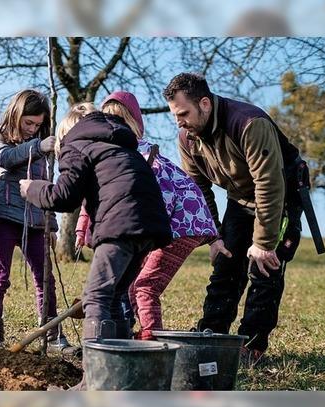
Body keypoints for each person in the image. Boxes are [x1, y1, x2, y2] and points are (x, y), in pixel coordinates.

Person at [20, 104, 172, 389]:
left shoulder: (77, 144)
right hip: (149, 226)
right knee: (114, 297)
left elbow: (64, 196)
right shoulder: (120, 144)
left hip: (121, 225)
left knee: (97, 297)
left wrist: (33, 189)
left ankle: (94, 382)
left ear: (67, 131)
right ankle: (124, 376)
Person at [163, 73, 304, 367]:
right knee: (226, 265)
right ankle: (211, 336)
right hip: (239, 200)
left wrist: (263, 243)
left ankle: (252, 347)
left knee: (263, 268)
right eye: (175, 115)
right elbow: (197, 190)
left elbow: (269, 184)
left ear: (204, 103)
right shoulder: (187, 138)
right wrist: (214, 236)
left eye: (184, 113)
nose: (179, 122)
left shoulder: (249, 124)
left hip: (280, 196)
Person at [75, 91, 219, 340]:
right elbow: (95, 195)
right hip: (174, 220)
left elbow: (144, 199)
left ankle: (152, 341)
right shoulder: (117, 153)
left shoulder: (134, 154)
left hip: (177, 222)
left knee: (144, 286)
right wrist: (82, 229)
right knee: (133, 283)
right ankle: (131, 332)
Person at [0, 89, 74, 353]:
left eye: (38, 124)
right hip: (3, 217)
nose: (33, 129)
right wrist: (38, 146)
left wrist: (51, 224)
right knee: (0, 276)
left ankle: (52, 335)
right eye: (28, 122)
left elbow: (46, 187)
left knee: (46, 278)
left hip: (35, 221)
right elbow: (5, 158)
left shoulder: (42, 146)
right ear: (16, 114)